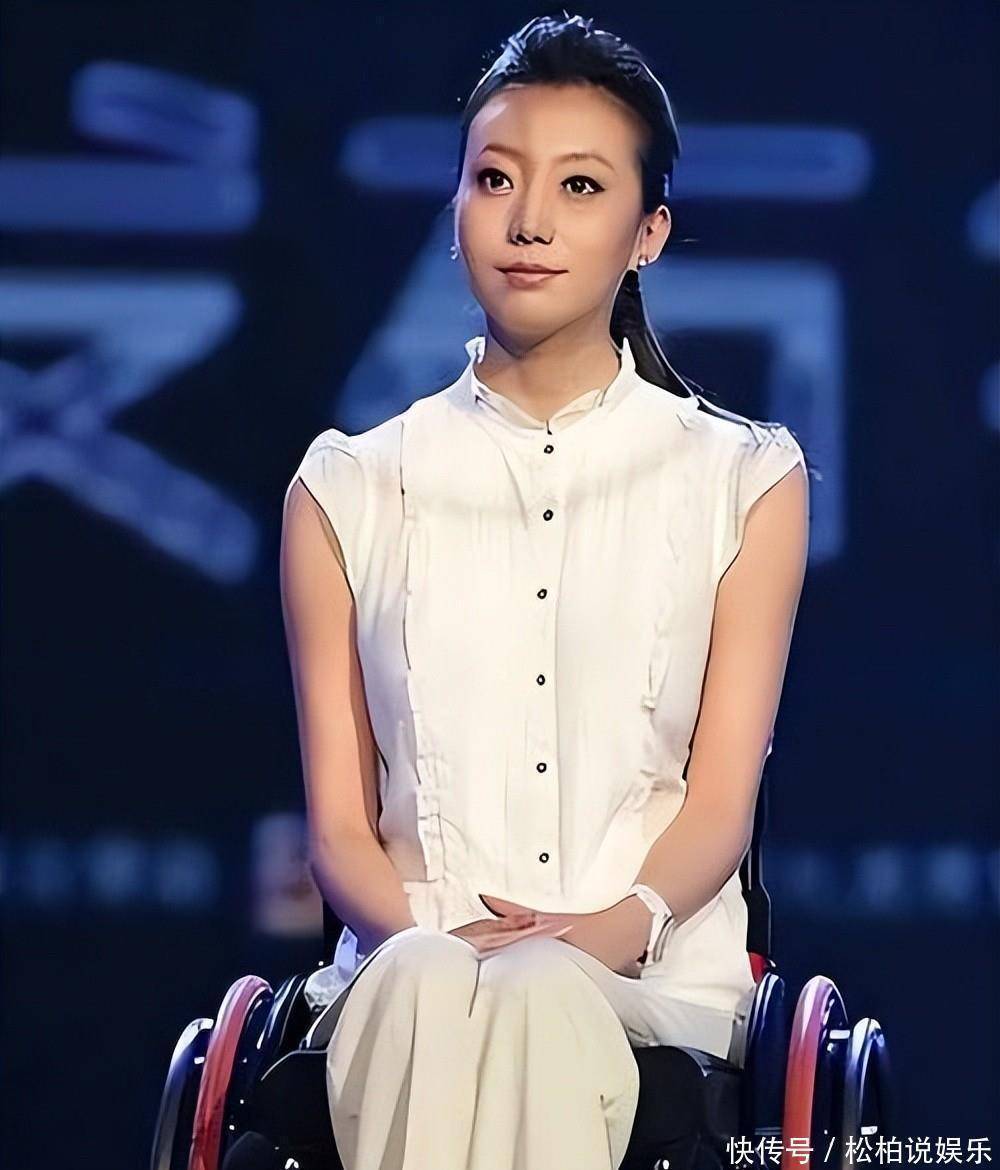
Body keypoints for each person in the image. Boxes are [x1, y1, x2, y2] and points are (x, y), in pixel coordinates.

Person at [279, 13, 811, 1170]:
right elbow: (340, 829)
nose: (528, 221)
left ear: (646, 232)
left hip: (647, 978)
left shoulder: (741, 479)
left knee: (537, 995)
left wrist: (607, 930)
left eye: (578, 186)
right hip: (408, 969)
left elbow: (718, 804)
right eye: (494, 179)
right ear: (457, 208)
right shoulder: (348, 487)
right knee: (434, 986)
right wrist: (429, 945)